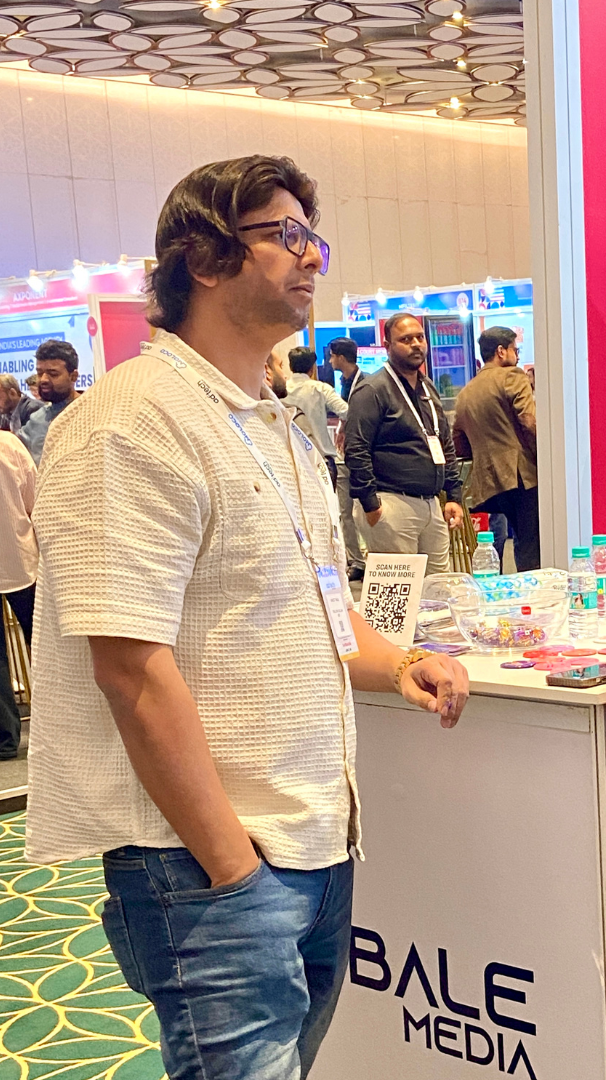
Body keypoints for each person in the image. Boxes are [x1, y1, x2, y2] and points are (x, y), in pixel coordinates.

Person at [25, 154, 470, 1080]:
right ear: (202, 257)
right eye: (285, 235)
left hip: (312, 841)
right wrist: (232, 868)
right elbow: (129, 667)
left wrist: (399, 664)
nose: (311, 257)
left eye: (315, 238)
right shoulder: (132, 419)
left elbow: (319, 604)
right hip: (208, 863)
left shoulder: (271, 423)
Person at [343, 313, 464, 575]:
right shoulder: (372, 390)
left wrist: (453, 495)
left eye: (420, 337)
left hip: (431, 504)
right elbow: (356, 449)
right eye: (406, 339)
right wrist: (371, 504)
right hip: (391, 503)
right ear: (387, 346)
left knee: (438, 587)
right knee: (402, 591)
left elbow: (444, 443)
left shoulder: (427, 387)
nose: (416, 344)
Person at [452, 326, 540, 571]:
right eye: (515, 350)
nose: (517, 356)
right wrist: (544, 457)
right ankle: (532, 588)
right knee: (531, 543)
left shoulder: (466, 392)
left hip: (489, 481)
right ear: (501, 351)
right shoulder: (513, 376)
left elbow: (458, 442)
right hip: (522, 474)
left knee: (510, 538)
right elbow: (528, 421)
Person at [0, 432, 37, 761]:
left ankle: (5, 740)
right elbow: (34, 500)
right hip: (21, 562)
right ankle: (61, 723)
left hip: (19, 563)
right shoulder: (9, 445)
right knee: (43, 646)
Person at [285, 345, 349, 488]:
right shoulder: (321, 389)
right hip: (321, 460)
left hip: (291, 461)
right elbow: (346, 412)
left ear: (290, 366)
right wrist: (342, 427)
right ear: (312, 368)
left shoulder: (281, 390)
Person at [329, 337, 365, 579]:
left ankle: (369, 558)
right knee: (346, 512)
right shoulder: (344, 383)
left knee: (361, 511)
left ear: (341, 357)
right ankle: (357, 560)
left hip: (362, 455)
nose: (330, 361)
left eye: (332, 356)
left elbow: (355, 413)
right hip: (346, 453)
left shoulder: (365, 383)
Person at [18, 339, 81, 464]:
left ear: (73, 376)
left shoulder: (92, 412)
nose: (43, 379)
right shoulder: (37, 419)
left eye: (53, 374)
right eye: (39, 373)